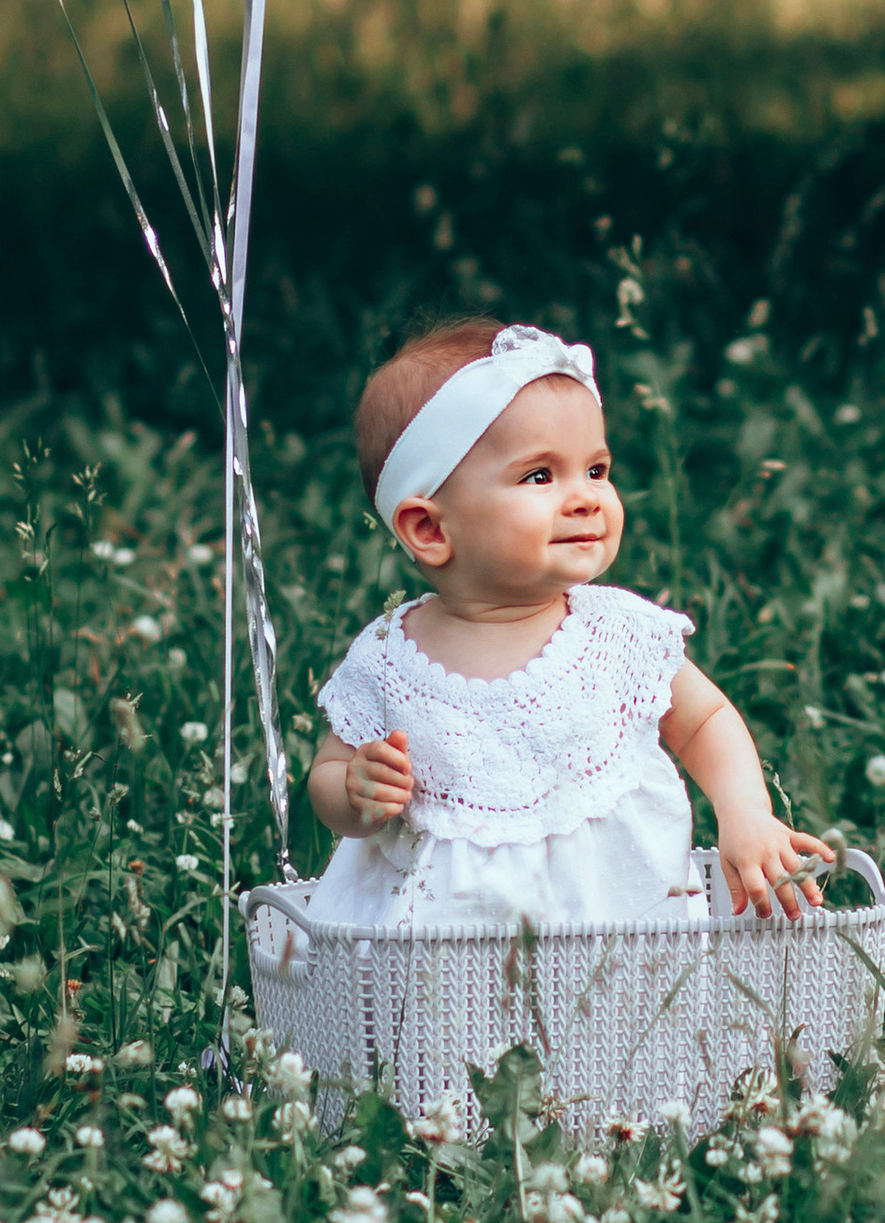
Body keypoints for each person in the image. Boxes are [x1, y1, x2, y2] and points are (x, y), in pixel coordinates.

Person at [301, 316, 833, 931]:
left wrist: (744, 811)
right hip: (441, 959)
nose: (585, 496)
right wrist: (356, 794)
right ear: (429, 529)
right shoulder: (390, 657)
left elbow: (705, 719)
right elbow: (329, 772)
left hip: (617, 938)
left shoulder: (618, 634)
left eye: (597, 470)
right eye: (539, 476)